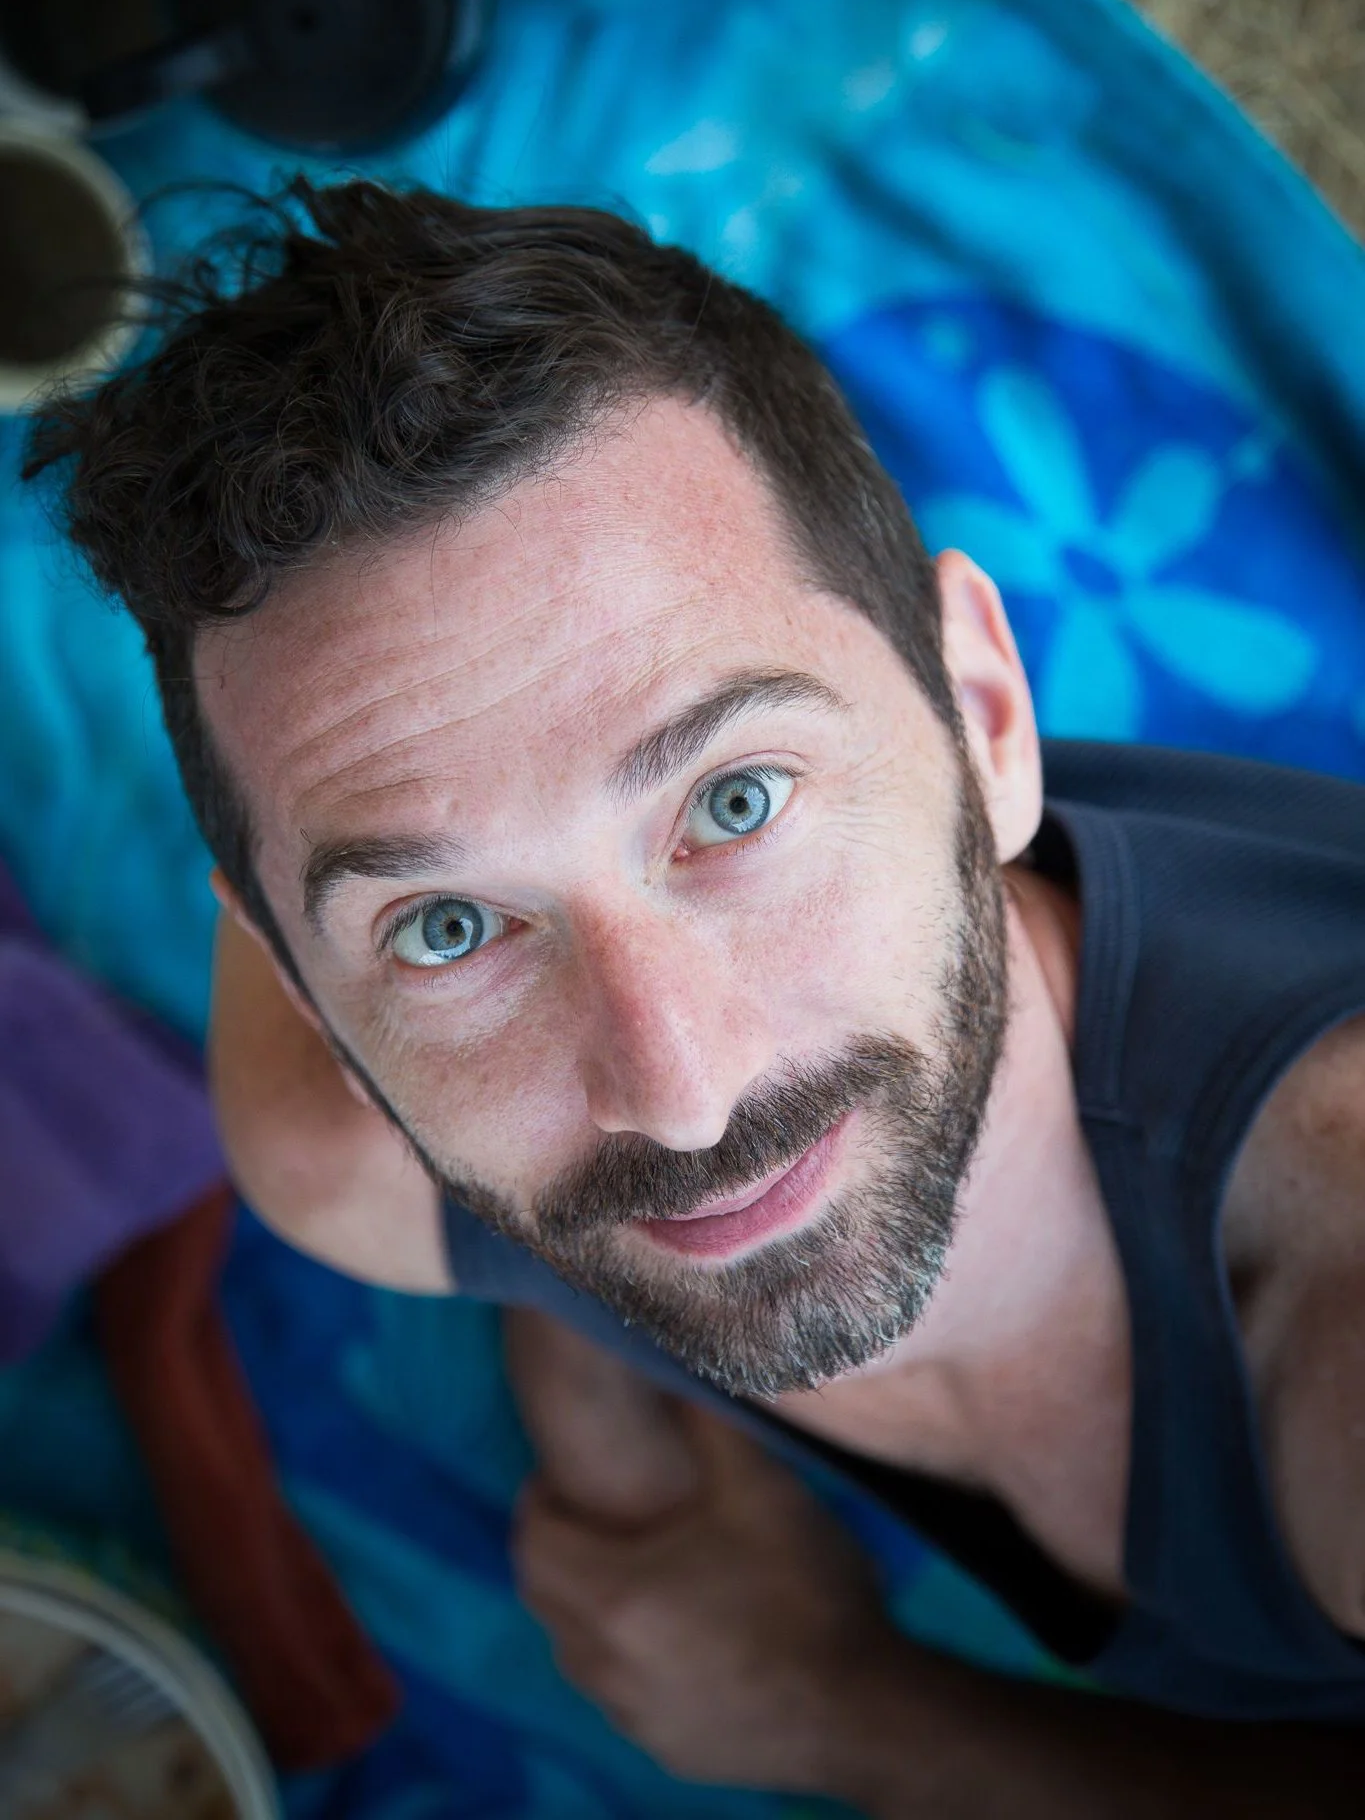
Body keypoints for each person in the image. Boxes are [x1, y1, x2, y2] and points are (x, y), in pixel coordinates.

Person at [23, 177, 1365, 1815]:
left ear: (986, 717)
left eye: (735, 804)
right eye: (449, 927)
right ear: (310, 995)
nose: (681, 1095)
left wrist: (849, 1713)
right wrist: (608, 1426)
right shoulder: (337, 1155)